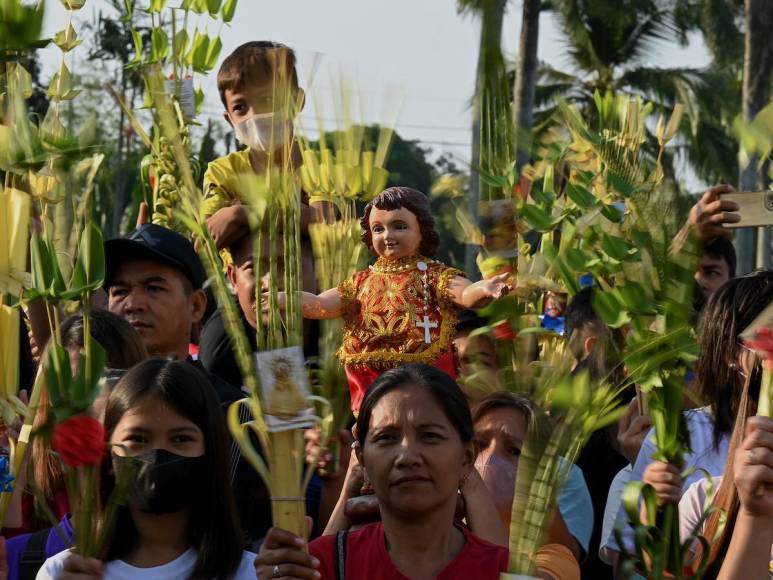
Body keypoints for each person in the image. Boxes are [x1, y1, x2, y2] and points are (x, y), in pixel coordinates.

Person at [254, 364, 580, 580]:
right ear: (362, 459)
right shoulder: (319, 566)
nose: (408, 455)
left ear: (466, 457)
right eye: (386, 438)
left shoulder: (504, 572)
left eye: (430, 436)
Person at [103, 223, 272, 546]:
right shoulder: (89, 406)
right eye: (120, 291)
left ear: (195, 306)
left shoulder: (236, 414)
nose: (133, 303)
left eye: (154, 288)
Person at [282, 187, 512, 413]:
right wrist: (285, 299)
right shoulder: (361, 281)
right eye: (378, 229)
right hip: (370, 378)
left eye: (399, 227)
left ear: (422, 230)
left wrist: (484, 288)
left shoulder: (432, 275)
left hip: (423, 373)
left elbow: (464, 294)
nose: (388, 236)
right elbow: (322, 305)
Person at [601, 270, 773, 569]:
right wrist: (654, 518)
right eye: (768, 337)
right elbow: (627, 567)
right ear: (731, 352)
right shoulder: (677, 440)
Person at [35, 359, 256, 579]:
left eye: (181, 438)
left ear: (210, 454)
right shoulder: (65, 572)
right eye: (138, 439)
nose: (158, 453)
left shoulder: (250, 572)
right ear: (108, 454)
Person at [4, 311, 149, 580]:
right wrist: (16, 468)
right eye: (71, 389)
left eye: (104, 385)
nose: (92, 405)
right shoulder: (24, 482)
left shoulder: (159, 522)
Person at [472, 391, 594, 563]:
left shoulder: (549, 558)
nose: (491, 457)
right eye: (480, 444)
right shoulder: (439, 524)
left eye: (514, 450)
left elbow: (566, 559)